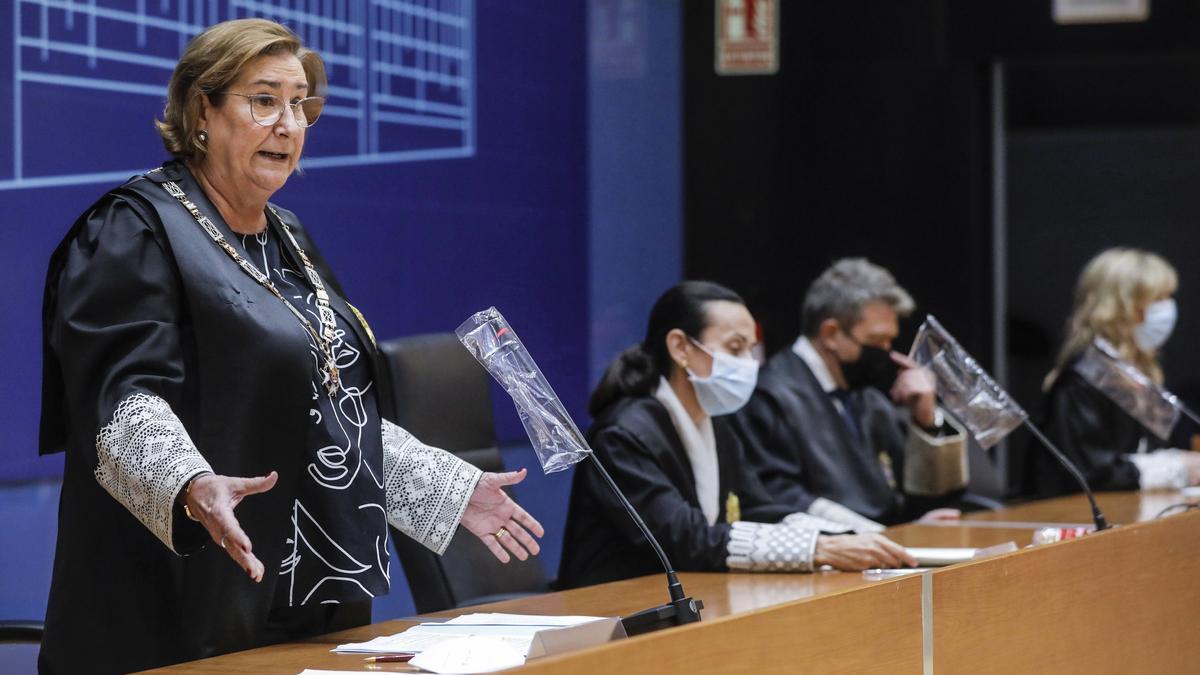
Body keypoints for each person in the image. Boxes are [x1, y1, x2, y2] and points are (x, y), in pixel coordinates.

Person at [38, 19, 543, 674]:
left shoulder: (289, 239)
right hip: (178, 604)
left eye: (299, 103)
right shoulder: (133, 230)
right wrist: (190, 482)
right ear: (201, 112)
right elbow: (118, 401)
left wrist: (445, 488)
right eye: (263, 100)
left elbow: (331, 405)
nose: (289, 123)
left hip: (304, 604)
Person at [557, 281, 916, 589]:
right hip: (609, 614)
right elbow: (685, 538)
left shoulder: (717, 425)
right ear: (680, 347)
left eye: (750, 348)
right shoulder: (623, 432)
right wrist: (815, 549)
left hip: (688, 600)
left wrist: (848, 536)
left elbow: (757, 507)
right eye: (734, 348)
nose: (750, 362)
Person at [734, 258, 967, 527]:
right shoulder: (770, 396)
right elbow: (779, 497)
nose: (887, 352)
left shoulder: (865, 395)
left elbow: (915, 497)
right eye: (876, 341)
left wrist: (925, 419)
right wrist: (877, 535)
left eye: (890, 340)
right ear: (831, 333)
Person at [1029, 248, 1200, 496]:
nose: (1167, 309)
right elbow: (1089, 473)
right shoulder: (1082, 379)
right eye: (1157, 299)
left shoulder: (1138, 373)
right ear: (1121, 307)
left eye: (1168, 297)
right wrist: (1175, 467)